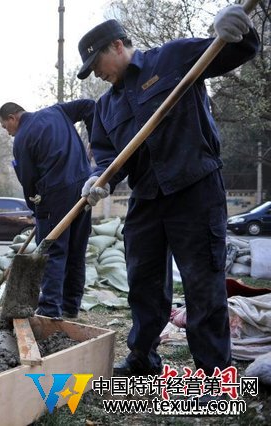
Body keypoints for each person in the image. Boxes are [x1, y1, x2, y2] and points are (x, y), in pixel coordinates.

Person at [77, 6, 259, 376]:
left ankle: (212, 371)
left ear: (117, 45)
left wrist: (239, 30)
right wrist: (99, 181)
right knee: (142, 283)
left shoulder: (172, 58)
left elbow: (233, 50)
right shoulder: (105, 107)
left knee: (202, 283)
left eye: (97, 63)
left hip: (195, 188)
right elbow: (108, 159)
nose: (96, 72)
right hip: (147, 198)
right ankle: (143, 357)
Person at [0, 100, 95, 319]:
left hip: (55, 195)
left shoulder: (22, 138)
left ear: (13, 118)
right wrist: (95, 142)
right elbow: (90, 106)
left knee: (53, 252)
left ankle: (50, 309)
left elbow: (28, 180)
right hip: (84, 188)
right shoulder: (57, 111)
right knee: (76, 252)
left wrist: (35, 209)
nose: (8, 133)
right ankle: (70, 307)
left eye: (6, 127)